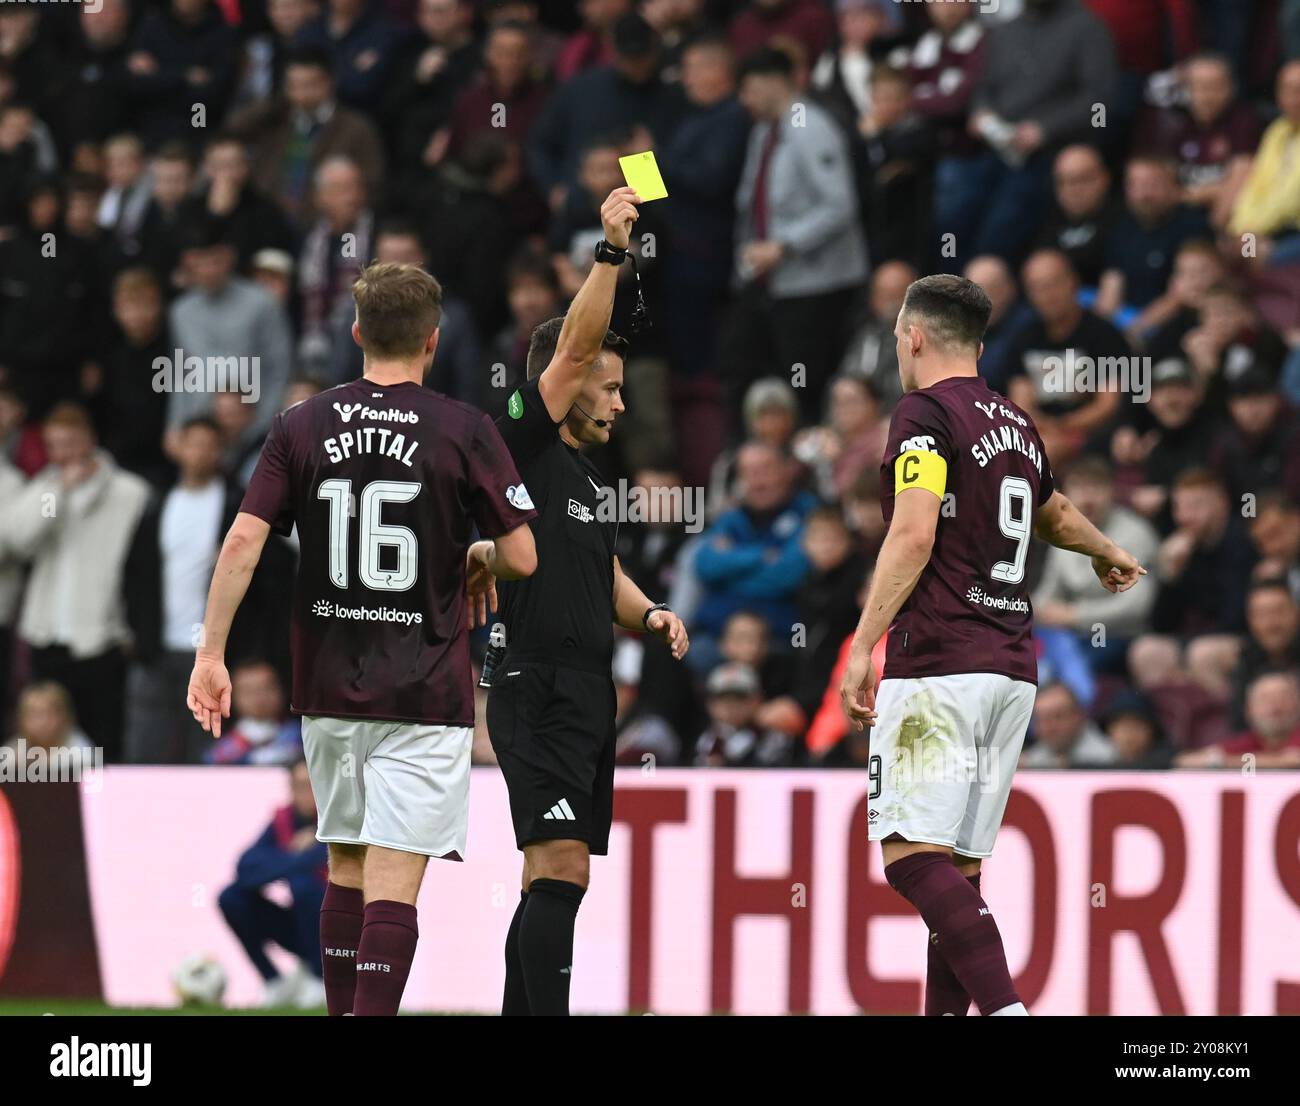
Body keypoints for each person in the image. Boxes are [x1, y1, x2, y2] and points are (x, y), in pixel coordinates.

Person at [186, 261, 539, 1017]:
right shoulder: (464, 428)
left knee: (344, 862)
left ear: (355, 334)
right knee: (394, 877)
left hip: (327, 682)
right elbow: (522, 557)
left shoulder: (299, 425)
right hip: (423, 684)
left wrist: (210, 653)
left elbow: (244, 542)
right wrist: (474, 555)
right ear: (433, 342)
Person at [837, 274, 1146, 1017]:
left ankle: (1009, 1011)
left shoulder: (922, 414)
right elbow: (1052, 509)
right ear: (976, 343)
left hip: (941, 660)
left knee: (912, 862)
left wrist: (862, 644)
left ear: (913, 336)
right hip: (1010, 670)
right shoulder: (1013, 419)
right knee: (960, 878)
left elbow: (913, 531)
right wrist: (1105, 549)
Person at [483, 186, 690, 1016]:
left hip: (584, 688)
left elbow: (598, 575)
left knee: (550, 872)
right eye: (607, 388)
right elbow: (571, 352)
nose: (619, 402)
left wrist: (648, 613)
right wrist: (612, 252)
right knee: (562, 866)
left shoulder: (585, 480)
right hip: (536, 685)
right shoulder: (519, 440)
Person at [217, 758, 330, 1008]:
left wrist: (295, 859)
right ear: (289, 788)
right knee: (231, 897)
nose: (306, 792)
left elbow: (325, 858)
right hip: (300, 929)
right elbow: (245, 870)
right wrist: (298, 856)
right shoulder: (284, 820)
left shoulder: (338, 820)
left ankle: (318, 977)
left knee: (304, 887)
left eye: (312, 784)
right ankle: (272, 979)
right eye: (299, 785)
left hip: (341, 934)